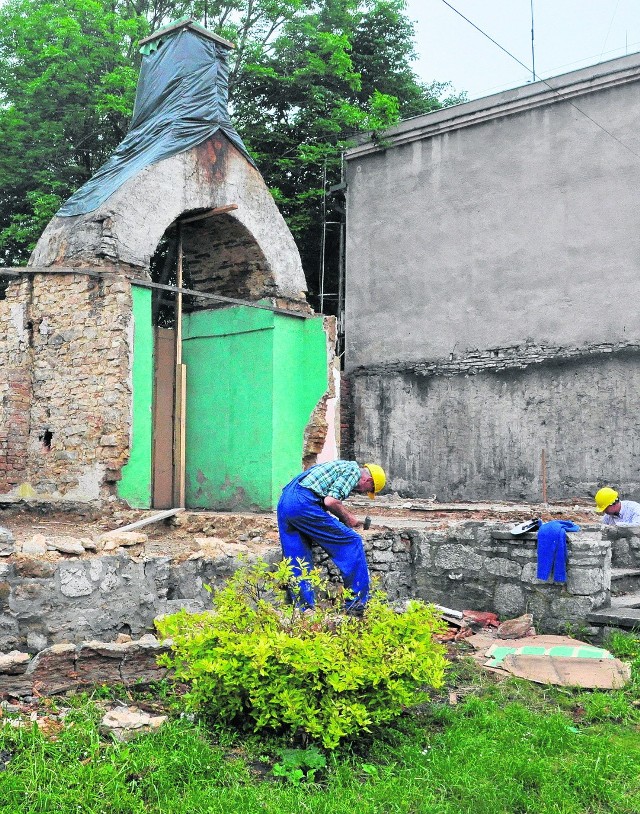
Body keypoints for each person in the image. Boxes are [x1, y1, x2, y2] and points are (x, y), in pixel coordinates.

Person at [277, 460, 386, 614]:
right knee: (351, 542)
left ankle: (303, 610)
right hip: (303, 503)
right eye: (369, 490)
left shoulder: (336, 465)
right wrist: (349, 518)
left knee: (297, 557)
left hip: (285, 501)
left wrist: (342, 519)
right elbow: (331, 501)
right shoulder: (353, 471)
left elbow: (323, 497)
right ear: (368, 480)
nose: (365, 492)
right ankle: (356, 605)